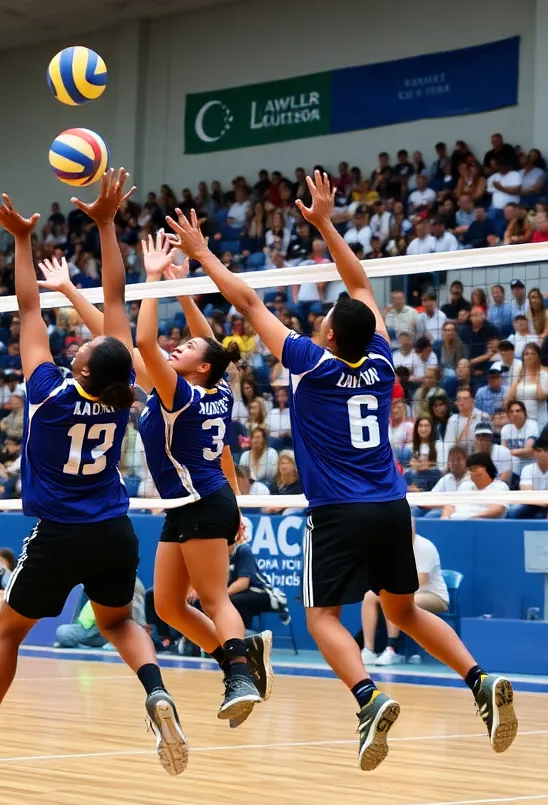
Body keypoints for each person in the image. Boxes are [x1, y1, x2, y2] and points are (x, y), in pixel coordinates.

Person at [167, 170, 517, 771]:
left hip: (336, 511)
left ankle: (368, 698)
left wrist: (201, 254)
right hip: (390, 506)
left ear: (327, 333)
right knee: (404, 610)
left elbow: (249, 303)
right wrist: (327, 224)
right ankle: (480, 680)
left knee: (322, 617)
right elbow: (359, 281)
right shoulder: (381, 360)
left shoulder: (309, 362)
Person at [0, 172, 187, 776]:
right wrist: (107, 224)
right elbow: (113, 304)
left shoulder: (48, 392)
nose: (76, 344)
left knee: (7, 632)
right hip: (114, 528)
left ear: (80, 362)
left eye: (79, 347)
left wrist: (22, 241)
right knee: (117, 620)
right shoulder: (120, 395)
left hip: (59, 532)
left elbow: (30, 306)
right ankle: (156, 691)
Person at [133, 230, 267, 725]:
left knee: (212, 597)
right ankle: (239, 660)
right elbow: (206, 343)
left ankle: (239, 673)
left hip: (202, 500)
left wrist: (151, 280)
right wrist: (183, 289)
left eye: (185, 348)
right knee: (167, 604)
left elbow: (144, 341)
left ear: (200, 366)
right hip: (200, 500)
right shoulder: (219, 387)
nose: (175, 348)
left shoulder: (181, 395)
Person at [360, 519, 450, 666]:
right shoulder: (392, 547)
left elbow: (421, 580)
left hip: (434, 596)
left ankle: (392, 649)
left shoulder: (424, 547)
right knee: (370, 596)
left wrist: (392, 585)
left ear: (413, 528)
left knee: (394, 598)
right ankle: (368, 650)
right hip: (403, 592)